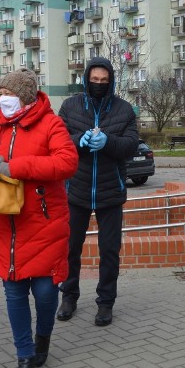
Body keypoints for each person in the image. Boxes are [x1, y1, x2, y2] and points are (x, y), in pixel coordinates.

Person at [0, 69, 78, 368]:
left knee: (46, 293)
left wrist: (15, 167)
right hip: (5, 224)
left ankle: (42, 336)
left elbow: (67, 162)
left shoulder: (51, 124)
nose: (2, 98)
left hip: (44, 222)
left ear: (27, 95)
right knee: (14, 292)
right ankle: (25, 357)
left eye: (9, 92)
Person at [56, 57, 139, 327]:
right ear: (86, 79)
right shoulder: (70, 106)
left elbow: (130, 145)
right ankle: (68, 296)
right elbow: (57, 141)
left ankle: (105, 302)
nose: (99, 84)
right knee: (70, 248)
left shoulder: (124, 109)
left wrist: (107, 142)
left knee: (109, 251)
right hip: (75, 189)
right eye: (95, 80)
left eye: (104, 81)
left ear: (111, 80)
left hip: (110, 191)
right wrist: (78, 141)